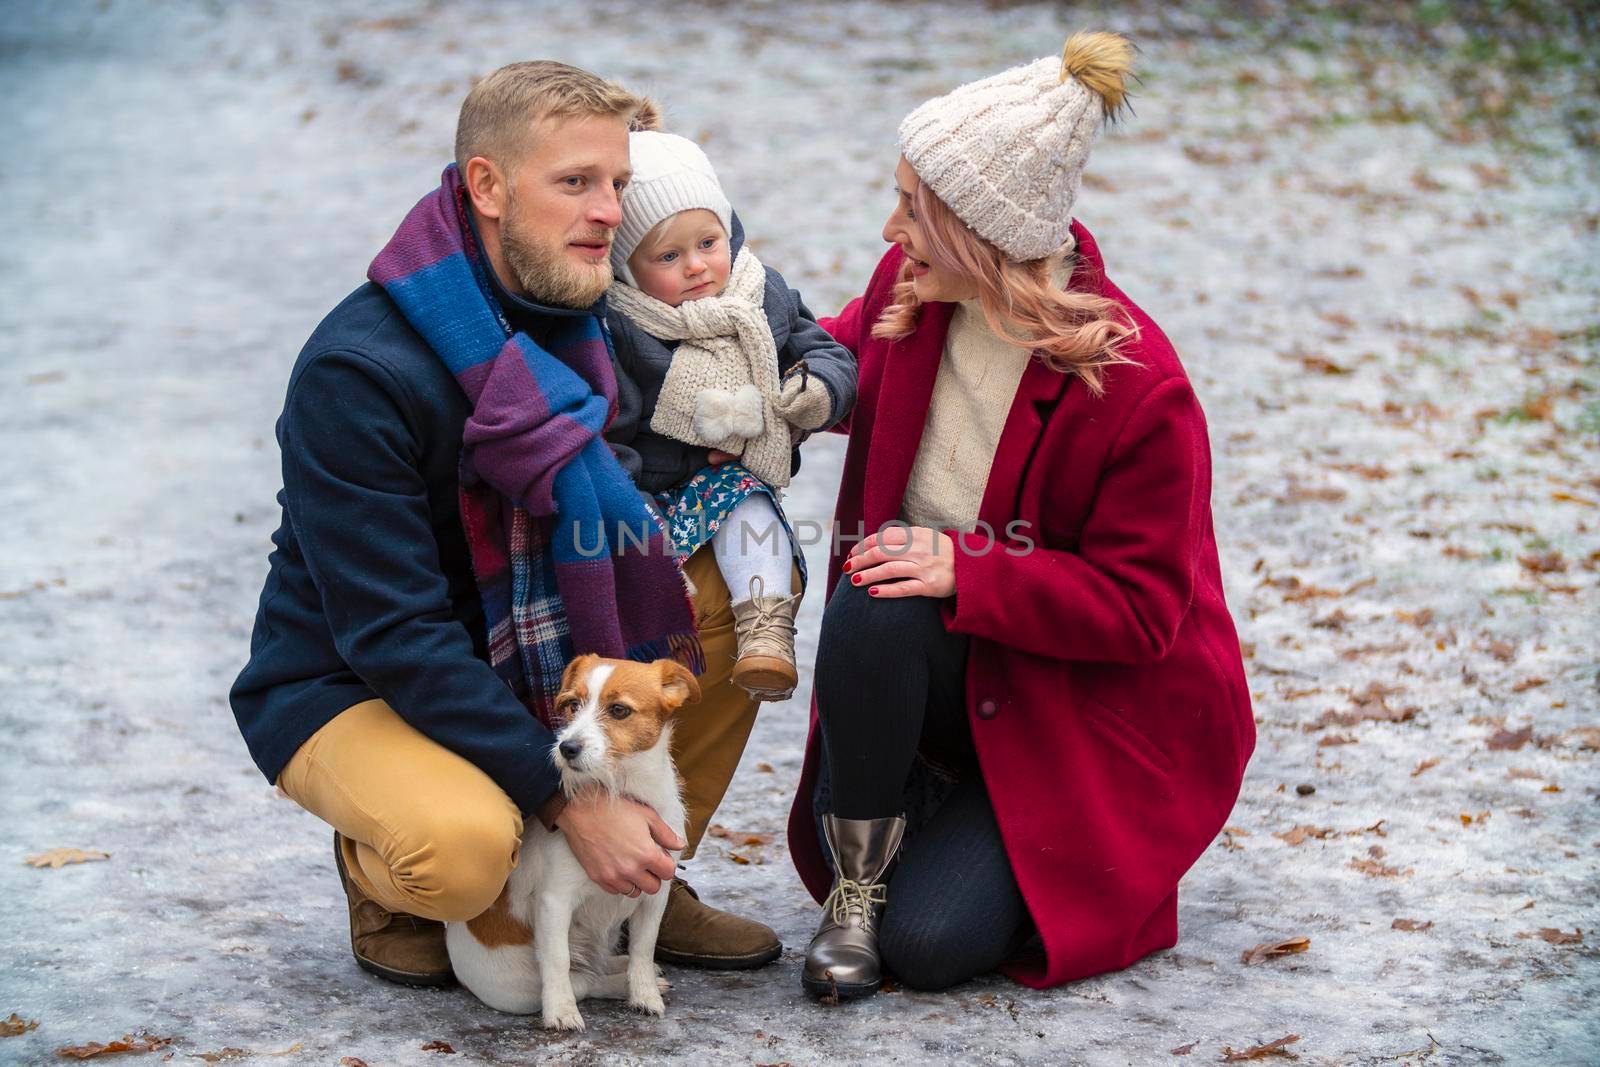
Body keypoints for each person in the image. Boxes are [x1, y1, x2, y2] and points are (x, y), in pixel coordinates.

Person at [230, 61, 782, 989]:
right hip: (356, 678)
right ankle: (390, 876)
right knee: (462, 849)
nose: (609, 211)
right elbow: (392, 631)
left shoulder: (585, 311)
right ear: (485, 186)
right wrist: (562, 802)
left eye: (616, 182)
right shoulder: (358, 372)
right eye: (574, 183)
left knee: (735, 587)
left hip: (519, 655)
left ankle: (644, 868)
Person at [785, 33, 1255, 1000]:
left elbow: (1140, 612)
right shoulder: (913, 293)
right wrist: (773, 390)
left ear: (979, 232)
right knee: (875, 592)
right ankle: (858, 890)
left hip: (1081, 709)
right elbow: (840, 356)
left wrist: (972, 568)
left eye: (914, 209)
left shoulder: (1136, 388)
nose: (889, 230)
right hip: (955, 659)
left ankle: (950, 815)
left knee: (933, 947)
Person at [605, 128, 856, 702]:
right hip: (653, 488)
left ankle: (765, 628)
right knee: (646, 552)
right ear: (629, 271)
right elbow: (612, 432)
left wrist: (816, 391)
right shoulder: (624, 327)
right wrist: (633, 504)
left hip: (730, 480)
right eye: (669, 256)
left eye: (708, 243)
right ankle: (666, 622)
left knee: (749, 502)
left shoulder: (758, 293)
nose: (697, 266)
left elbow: (824, 351)